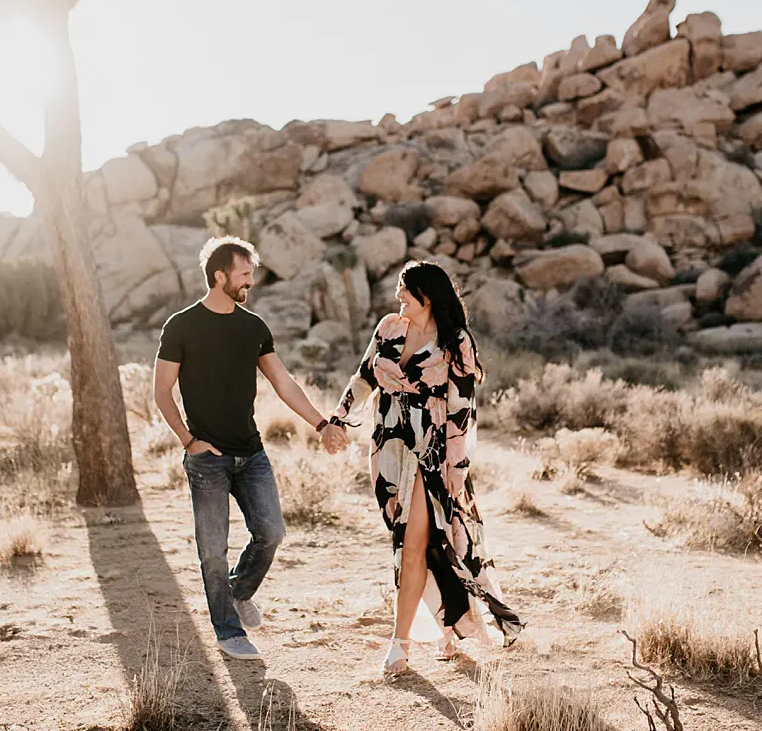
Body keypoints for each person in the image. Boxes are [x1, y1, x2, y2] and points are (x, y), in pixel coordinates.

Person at [327, 260, 524, 675]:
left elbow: (462, 412)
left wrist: (455, 472)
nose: (397, 295)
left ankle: (399, 645)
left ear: (427, 295)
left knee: (412, 543)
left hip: (431, 454)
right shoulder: (388, 329)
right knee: (430, 543)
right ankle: (451, 626)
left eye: (404, 288)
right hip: (388, 450)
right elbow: (363, 378)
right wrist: (339, 418)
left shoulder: (456, 342)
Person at [154, 236, 343, 661]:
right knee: (212, 550)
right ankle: (227, 630)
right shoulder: (181, 326)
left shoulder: (253, 327)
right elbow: (162, 391)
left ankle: (238, 593)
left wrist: (321, 423)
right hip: (207, 460)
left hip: (251, 453)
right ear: (219, 276)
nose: (251, 282)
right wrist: (188, 441)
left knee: (271, 530)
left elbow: (284, 383)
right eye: (244, 274)